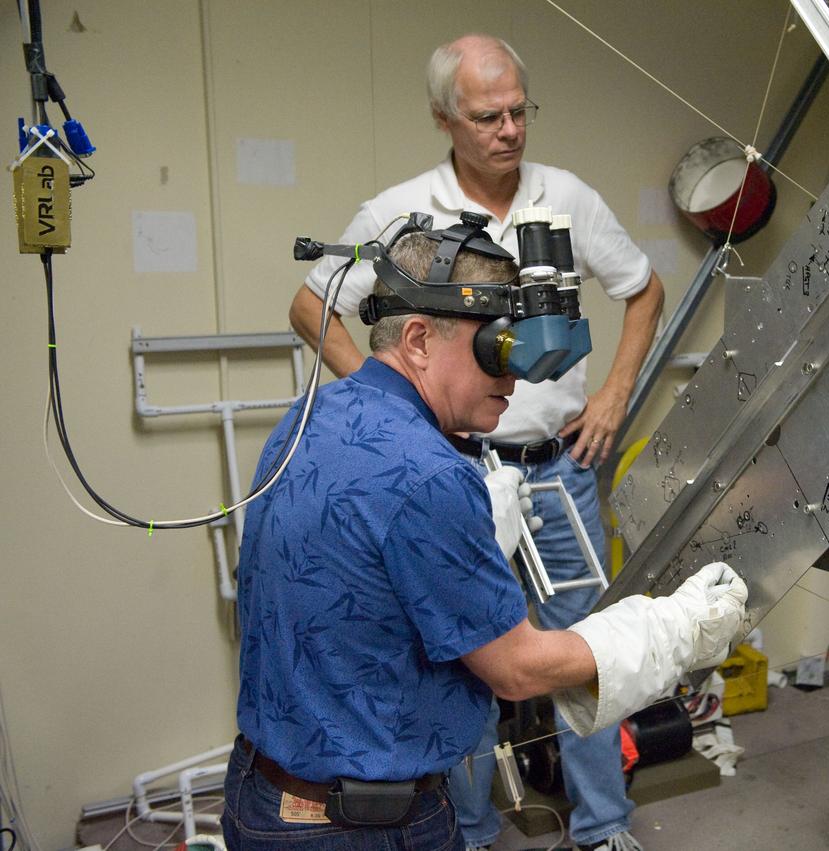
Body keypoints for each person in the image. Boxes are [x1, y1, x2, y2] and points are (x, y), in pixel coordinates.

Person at [224, 222, 746, 851]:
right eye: (497, 349)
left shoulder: (310, 414)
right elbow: (517, 671)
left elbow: (358, 586)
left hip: (263, 799)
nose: (516, 377)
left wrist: (471, 550)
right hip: (360, 828)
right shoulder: (430, 476)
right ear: (419, 338)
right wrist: (675, 628)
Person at [288, 33, 665, 851]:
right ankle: (466, 830)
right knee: (460, 658)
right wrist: (396, 409)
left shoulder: (565, 197)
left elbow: (644, 288)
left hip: (555, 470)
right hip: (452, 474)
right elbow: (311, 305)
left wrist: (613, 393)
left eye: (520, 111)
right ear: (444, 119)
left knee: (583, 649)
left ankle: (603, 828)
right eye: (488, 115)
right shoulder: (402, 214)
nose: (509, 129)